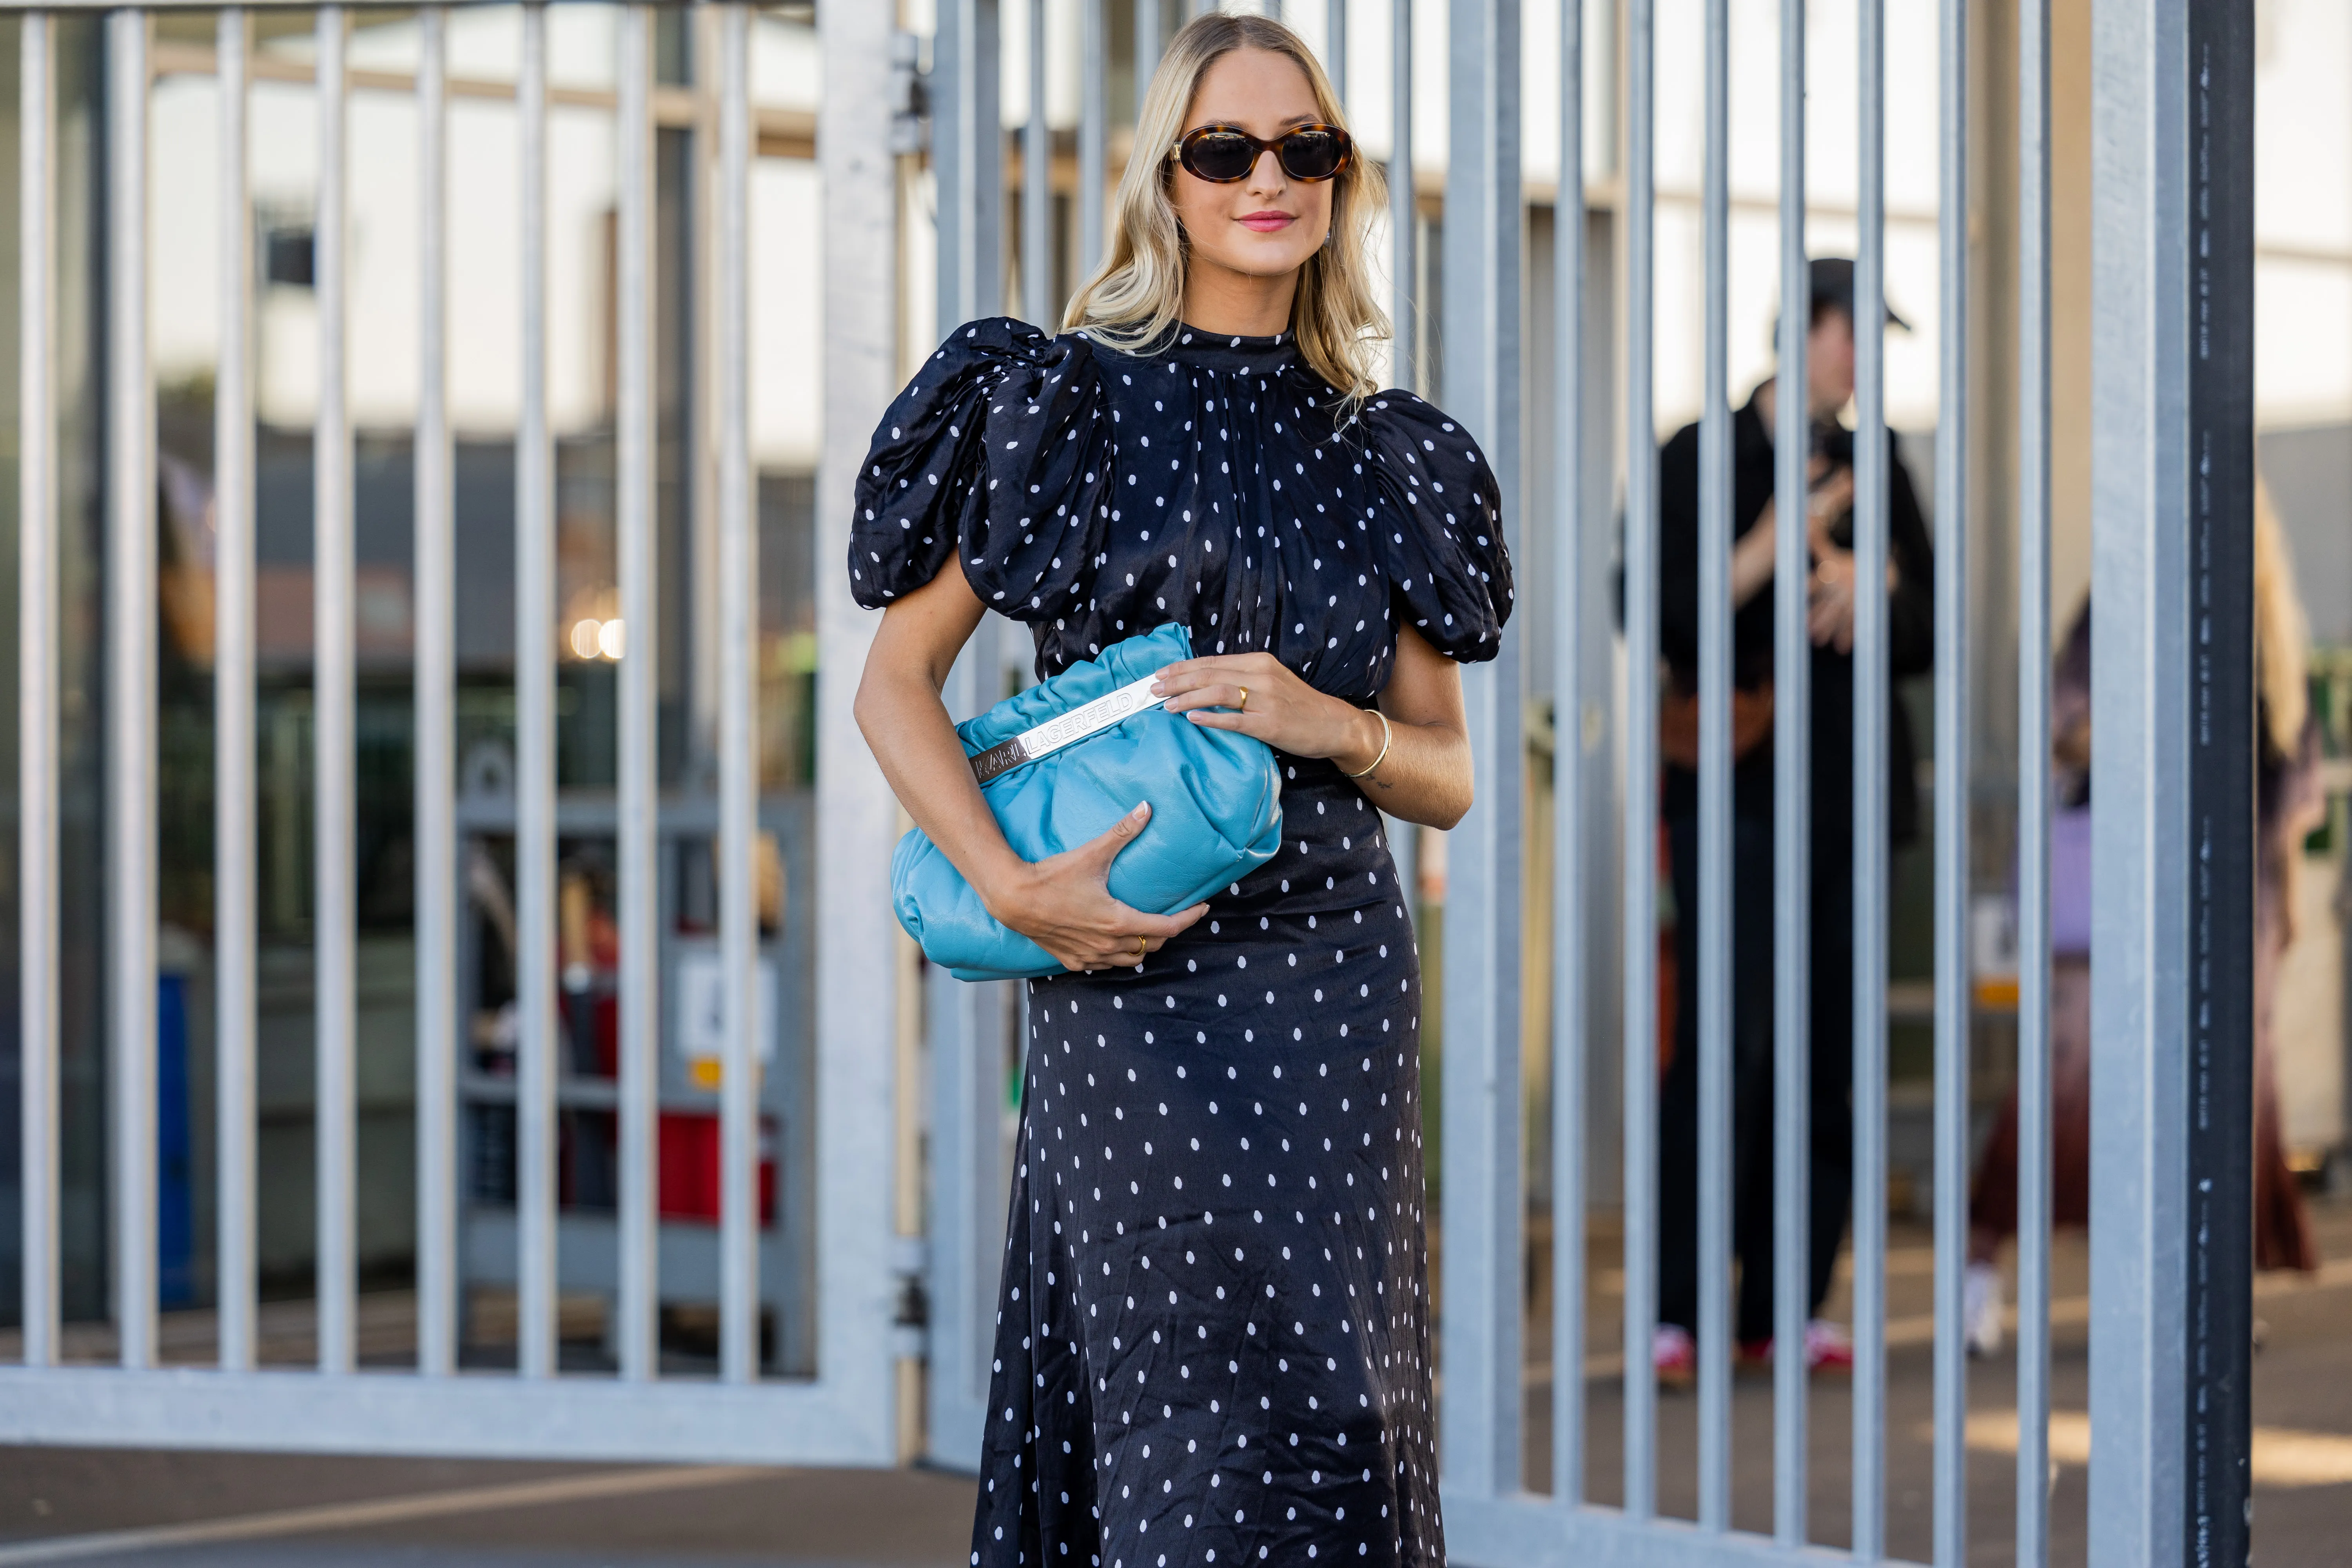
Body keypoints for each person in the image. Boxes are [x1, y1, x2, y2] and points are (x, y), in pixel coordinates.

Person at [849, 16, 1508, 1566]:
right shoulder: (1063, 402)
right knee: (1182, 1418)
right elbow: (895, 687)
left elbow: (1448, 775)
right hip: (1125, 976)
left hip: (1334, 984)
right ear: (1167, 178)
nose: (1268, 179)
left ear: (1341, 182)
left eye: (1306, 150)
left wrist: (1327, 723)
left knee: (1346, 1410)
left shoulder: (1388, 453)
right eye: (1228, 149)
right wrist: (1013, 893)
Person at [1648, 259, 1936, 1385]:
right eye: (1854, 335)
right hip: (1734, 796)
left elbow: (1924, 633)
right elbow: (1660, 612)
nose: (1865, 361)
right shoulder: (1698, 456)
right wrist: (1784, 537)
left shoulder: (1880, 462)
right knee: (1723, 1049)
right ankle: (1678, 1310)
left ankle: (1787, 1308)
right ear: (1802, 335)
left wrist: (1874, 582)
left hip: (1855, 799)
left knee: (1825, 1057)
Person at [1963, 483, 2322, 1354]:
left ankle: (2209, 1292)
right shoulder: (2120, 603)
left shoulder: (2267, 632)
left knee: (2227, 1097)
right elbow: (2066, 724)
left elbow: (2293, 786)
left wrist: (2284, 906)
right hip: (2125, 877)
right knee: (2070, 1080)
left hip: (2236, 893)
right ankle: (1982, 1266)